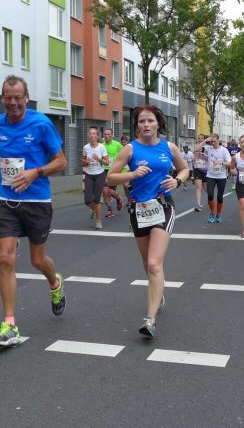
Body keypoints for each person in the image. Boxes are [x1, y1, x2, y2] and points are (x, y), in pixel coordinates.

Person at [0, 75, 67, 347]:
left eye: (18, 98)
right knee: (6, 259)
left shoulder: (41, 123)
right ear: (2, 99)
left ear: (26, 98)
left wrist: (35, 173)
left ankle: (55, 283)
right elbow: (0, 152)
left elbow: (61, 162)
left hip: (37, 201)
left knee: (37, 260)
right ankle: (10, 325)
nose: (13, 103)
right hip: (5, 199)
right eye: (8, 98)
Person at [107, 105, 188, 339]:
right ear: (137, 126)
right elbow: (110, 177)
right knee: (147, 263)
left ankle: (149, 320)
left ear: (158, 123)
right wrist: (132, 175)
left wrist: (178, 181)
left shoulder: (169, 147)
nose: (146, 125)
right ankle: (158, 290)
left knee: (154, 263)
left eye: (150, 120)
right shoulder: (130, 149)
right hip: (139, 209)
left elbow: (184, 169)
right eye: (141, 121)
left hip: (163, 207)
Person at [82, 126, 109, 229]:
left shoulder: (101, 147)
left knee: (97, 199)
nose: (92, 135)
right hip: (89, 174)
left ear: (97, 136)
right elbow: (82, 161)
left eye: (94, 134)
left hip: (100, 174)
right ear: (88, 136)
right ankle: (94, 210)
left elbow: (107, 162)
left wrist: (99, 159)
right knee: (87, 200)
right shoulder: (86, 147)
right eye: (90, 134)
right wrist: (86, 161)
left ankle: (98, 220)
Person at [205, 134, 231, 223]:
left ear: (218, 141)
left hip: (221, 176)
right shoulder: (209, 149)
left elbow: (230, 163)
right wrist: (205, 141)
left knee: (219, 197)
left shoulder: (224, 150)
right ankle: (212, 213)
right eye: (211, 141)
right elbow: (196, 149)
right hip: (210, 175)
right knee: (210, 195)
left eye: (214, 141)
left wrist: (221, 163)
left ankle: (218, 215)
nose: (213, 143)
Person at [101, 128, 124, 217]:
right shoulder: (102, 145)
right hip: (103, 170)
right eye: (105, 134)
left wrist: (121, 168)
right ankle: (110, 210)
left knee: (110, 191)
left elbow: (124, 156)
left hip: (114, 170)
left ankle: (118, 198)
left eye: (108, 134)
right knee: (105, 190)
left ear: (112, 135)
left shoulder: (117, 145)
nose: (106, 136)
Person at [192, 134, 209, 211]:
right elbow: (195, 152)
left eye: (201, 138)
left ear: (204, 139)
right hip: (197, 168)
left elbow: (209, 157)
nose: (200, 139)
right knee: (198, 187)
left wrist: (204, 155)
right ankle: (198, 205)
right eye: (198, 138)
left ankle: (211, 198)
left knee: (205, 187)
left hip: (205, 169)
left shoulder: (208, 147)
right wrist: (193, 158)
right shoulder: (196, 146)